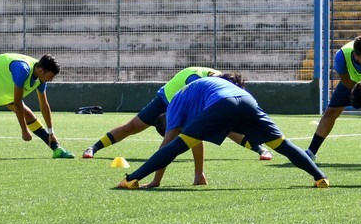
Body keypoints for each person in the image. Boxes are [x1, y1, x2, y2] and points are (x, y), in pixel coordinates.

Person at [114, 75, 329, 190]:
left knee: (177, 146)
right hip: (246, 100)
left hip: (222, 103)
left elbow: (169, 145)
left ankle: (131, 180)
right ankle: (320, 178)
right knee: (282, 145)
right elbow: (192, 142)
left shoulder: (174, 105)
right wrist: (198, 174)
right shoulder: (194, 97)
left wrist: (153, 180)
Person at [81, 65, 275, 169]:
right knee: (131, 126)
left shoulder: (221, 82)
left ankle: (260, 148)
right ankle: (94, 147)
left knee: (226, 128)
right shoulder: (206, 83)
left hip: (184, 102)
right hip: (166, 99)